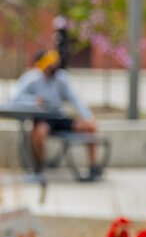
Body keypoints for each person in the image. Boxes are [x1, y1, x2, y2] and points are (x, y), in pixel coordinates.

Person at [14, 48, 100, 178]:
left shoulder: (61, 78)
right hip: (43, 118)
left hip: (59, 116)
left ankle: (94, 167)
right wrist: (33, 100)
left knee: (89, 127)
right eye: (49, 64)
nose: (53, 66)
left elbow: (75, 99)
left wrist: (88, 117)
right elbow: (14, 98)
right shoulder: (31, 78)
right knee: (39, 132)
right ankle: (39, 168)